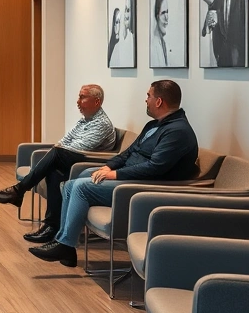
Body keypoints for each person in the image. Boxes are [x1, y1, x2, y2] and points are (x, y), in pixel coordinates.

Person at [28, 80, 198, 267]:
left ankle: (65, 244)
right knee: (71, 183)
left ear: (159, 102)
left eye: (149, 96)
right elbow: (128, 152)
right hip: (129, 176)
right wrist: (110, 166)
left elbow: (155, 168)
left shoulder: (177, 132)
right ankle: (64, 245)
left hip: (144, 186)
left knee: (81, 188)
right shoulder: (153, 125)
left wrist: (116, 175)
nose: (146, 100)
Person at [0, 85, 116, 243]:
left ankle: (19, 190)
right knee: (54, 172)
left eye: (82, 97)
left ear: (96, 101)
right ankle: (50, 227)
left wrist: (60, 149)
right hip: (76, 161)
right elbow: (64, 141)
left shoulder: (102, 124)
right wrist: (60, 148)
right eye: (79, 96)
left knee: (56, 154)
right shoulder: (84, 121)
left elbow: (81, 148)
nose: (77, 101)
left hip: (88, 167)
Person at [151, 0, 169, 68]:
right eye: (163, 13)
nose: (166, 17)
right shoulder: (153, 46)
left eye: (167, 12)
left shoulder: (163, 44)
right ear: (157, 16)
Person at [117, 0, 135, 67]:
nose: (126, 15)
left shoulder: (132, 38)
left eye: (128, 10)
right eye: (125, 10)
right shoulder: (122, 41)